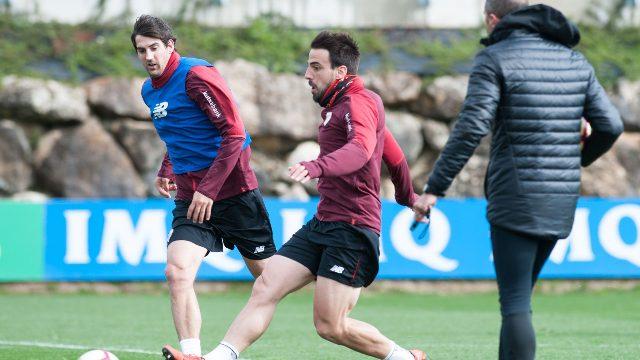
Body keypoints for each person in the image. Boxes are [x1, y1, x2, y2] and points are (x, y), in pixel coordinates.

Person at [162, 31, 427, 360]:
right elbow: (396, 156)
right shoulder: (344, 106)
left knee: (331, 326)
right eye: (308, 66)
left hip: (353, 228)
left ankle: (405, 358)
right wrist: (409, 198)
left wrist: (319, 166)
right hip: (325, 222)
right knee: (266, 286)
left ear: (340, 73)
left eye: (316, 67)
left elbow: (360, 150)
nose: (307, 74)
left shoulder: (358, 104)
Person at [413, 1, 624, 359]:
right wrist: (577, 159)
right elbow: (610, 126)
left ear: (493, 20)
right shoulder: (574, 61)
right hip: (560, 199)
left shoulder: (494, 57)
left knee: (514, 303)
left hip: (515, 194)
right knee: (519, 298)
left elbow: (471, 127)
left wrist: (435, 188)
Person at [132, 15, 277, 358]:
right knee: (176, 270)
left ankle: (329, 277)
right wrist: (167, 168)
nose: (149, 56)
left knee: (272, 280)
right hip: (191, 196)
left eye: (155, 48)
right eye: (141, 50)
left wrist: (209, 189)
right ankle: (192, 354)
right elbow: (179, 135)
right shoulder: (147, 91)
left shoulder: (197, 75)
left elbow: (234, 134)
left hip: (233, 191)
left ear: (171, 46)